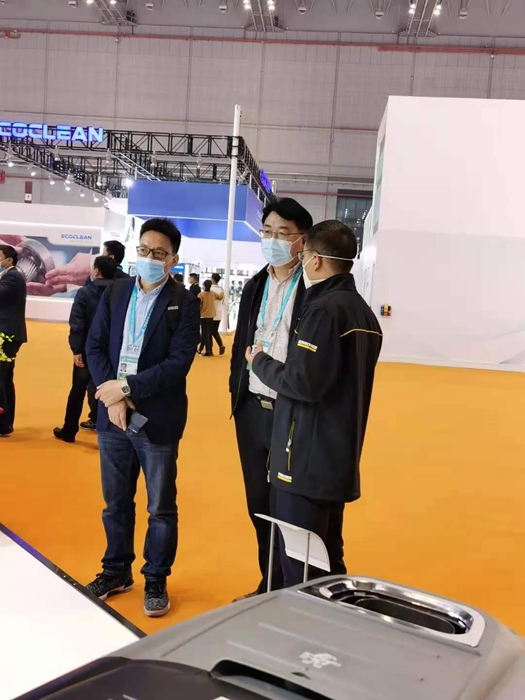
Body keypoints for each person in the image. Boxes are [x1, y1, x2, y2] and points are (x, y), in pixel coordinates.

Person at [247, 220, 382, 587]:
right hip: (334, 456)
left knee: (301, 563)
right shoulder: (363, 313)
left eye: (303, 253)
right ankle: (333, 616)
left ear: (316, 259)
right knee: (327, 556)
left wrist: (259, 361)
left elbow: (301, 382)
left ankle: (305, 621)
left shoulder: (323, 310)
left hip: (304, 459)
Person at [85, 218, 200, 617]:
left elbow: (177, 364)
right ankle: (116, 570)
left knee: (160, 506)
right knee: (115, 502)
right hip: (113, 417)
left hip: (157, 418)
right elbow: (95, 345)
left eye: (159, 253)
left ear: (173, 259)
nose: (149, 258)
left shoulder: (184, 302)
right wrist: (112, 397)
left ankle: (155, 577)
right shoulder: (116, 291)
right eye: (144, 250)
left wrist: (126, 388)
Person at [230, 198, 313, 598]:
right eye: (267, 232)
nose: (273, 240)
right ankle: (269, 583)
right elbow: (241, 344)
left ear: (302, 240)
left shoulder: (312, 288)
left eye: (283, 233)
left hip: (291, 412)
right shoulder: (255, 286)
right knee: (258, 503)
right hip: (252, 408)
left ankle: (293, 588)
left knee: (290, 507)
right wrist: (236, 392)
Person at [53, 256, 118, 444]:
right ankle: (107, 434)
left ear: (96, 271)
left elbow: (77, 323)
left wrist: (76, 349)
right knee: (109, 391)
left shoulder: (85, 293)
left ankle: (69, 430)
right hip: (111, 351)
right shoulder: (120, 293)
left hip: (88, 351)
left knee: (78, 391)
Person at [0, 245, 27, 437]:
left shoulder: (13, 277)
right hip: (7, 333)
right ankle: (6, 422)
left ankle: (3, 423)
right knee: (5, 378)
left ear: (9, 260)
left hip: (6, 334)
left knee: (2, 378)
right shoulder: (10, 276)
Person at [197, 280, 217, 357]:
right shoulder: (213, 294)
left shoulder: (201, 295)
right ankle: (209, 350)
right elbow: (220, 297)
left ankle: (208, 351)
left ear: (204, 286)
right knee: (209, 334)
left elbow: (198, 305)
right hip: (211, 315)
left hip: (203, 316)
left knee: (205, 334)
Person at [210, 272, 226, 356]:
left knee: (209, 332)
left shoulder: (210, 289)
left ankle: (209, 349)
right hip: (219, 312)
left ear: (213, 279)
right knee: (214, 331)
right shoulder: (222, 289)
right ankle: (220, 345)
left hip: (210, 312)